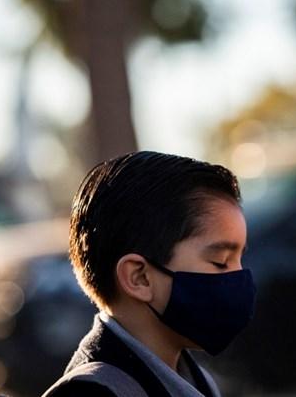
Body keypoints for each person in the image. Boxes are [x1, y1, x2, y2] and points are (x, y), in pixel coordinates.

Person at [43, 151, 255, 396]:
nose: (239, 277)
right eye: (220, 261)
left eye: (240, 258)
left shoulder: (197, 381)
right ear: (139, 277)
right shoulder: (94, 391)